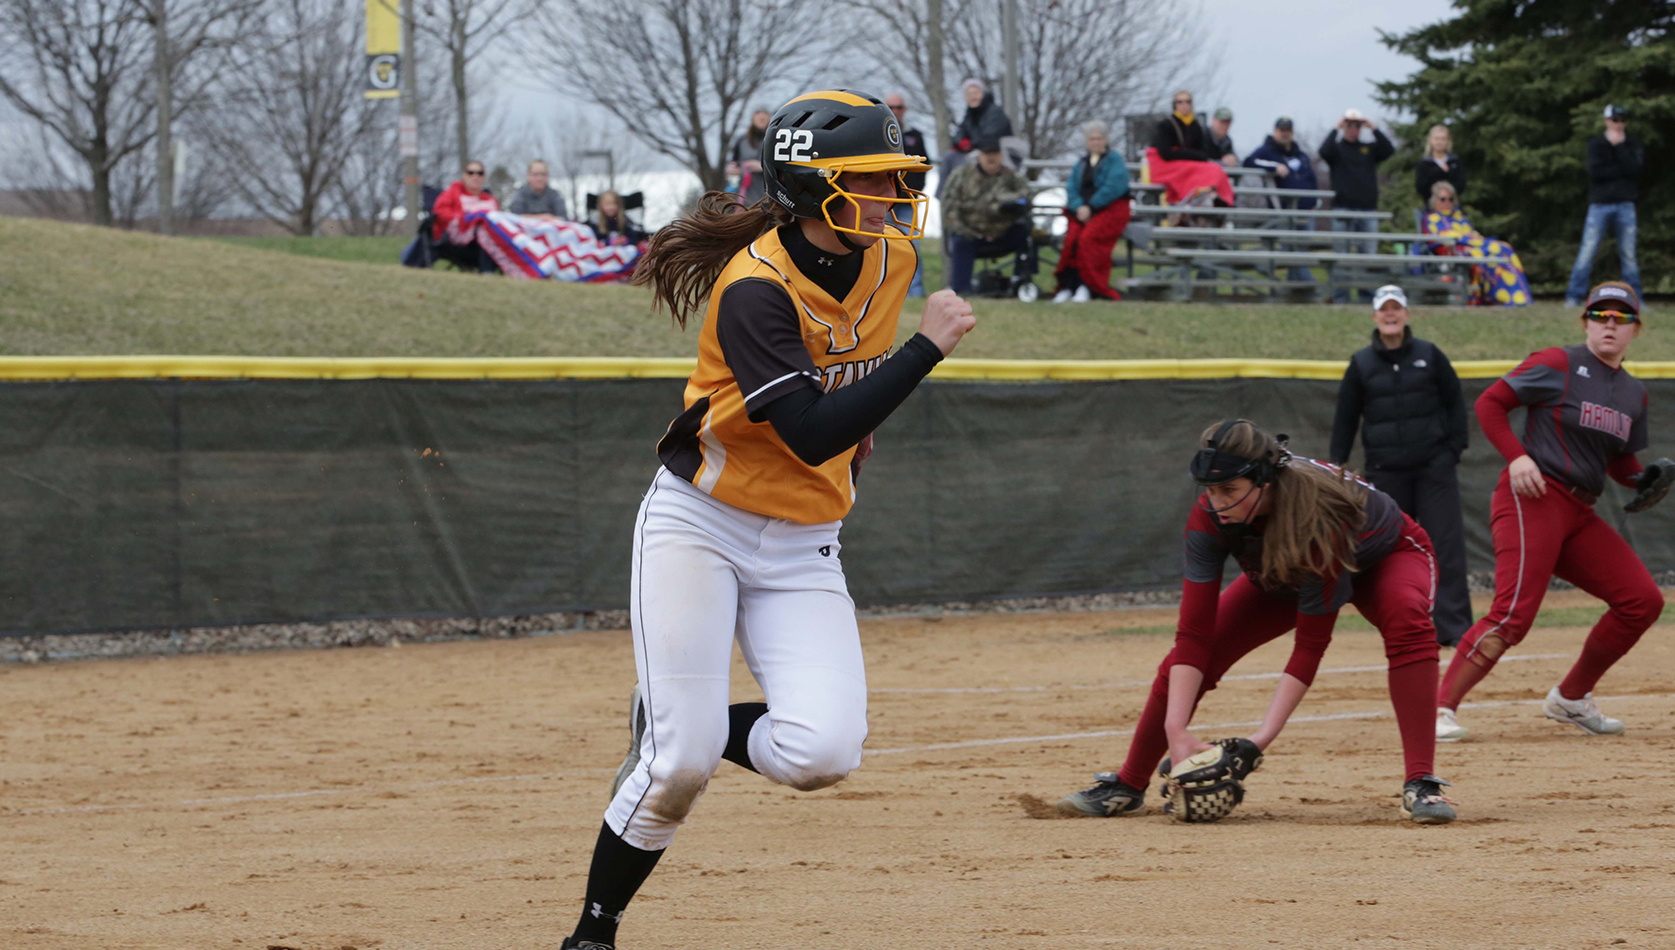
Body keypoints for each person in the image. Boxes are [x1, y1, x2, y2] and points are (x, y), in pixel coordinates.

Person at [556, 89, 974, 950]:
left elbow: (841, 399)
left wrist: (865, 418)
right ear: (814, 186)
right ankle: (592, 934)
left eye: (897, 177)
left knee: (823, 754)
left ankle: (675, 716)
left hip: (803, 538)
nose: (895, 195)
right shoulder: (752, 290)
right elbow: (814, 428)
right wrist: (924, 351)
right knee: (680, 767)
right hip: (699, 525)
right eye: (874, 179)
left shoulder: (888, 253)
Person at [1057, 420, 1455, 825]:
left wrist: (1258, 741)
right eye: (1209, 490)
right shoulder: (1208, 518)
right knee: (1196, 651)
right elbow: (1193, 633)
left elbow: (1310, 645)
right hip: (1285, 568)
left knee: (1407, 619)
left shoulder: (1315, 518)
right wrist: (1177, 732)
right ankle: (1128, 784)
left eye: (1229, 489)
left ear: (1265, 481)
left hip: (1383, 555)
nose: (1215, 501)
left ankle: (1421, 782)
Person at [1436, 282, 1667, 745]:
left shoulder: (1633, 394)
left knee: (1643, 600)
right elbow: (1491, 403)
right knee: (1513, 615)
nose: (1609, 323)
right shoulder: (1558, 363)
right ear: (1585, 322)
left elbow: (1621, 463)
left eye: (1620, 318)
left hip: (1579, 512)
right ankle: (1439, 707)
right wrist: (1517, 457)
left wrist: (1643, 479)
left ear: (1635, 330)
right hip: (1533, 497)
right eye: (1599, 314)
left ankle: (1572, 697)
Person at [1330, 285, 1472, 647]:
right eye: (1384, 309)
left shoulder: (1429, 354)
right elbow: (1346, 417)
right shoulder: (1361, 363)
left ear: (1407, 314)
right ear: (1375, 316)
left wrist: (1452, 451)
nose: (1390, 314)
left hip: (1433, 469)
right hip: (1386, 471)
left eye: (1397, 308)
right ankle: (1397, 625)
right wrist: (1338, 466)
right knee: (1388, 548)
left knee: (1445, 547)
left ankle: (1454, 629)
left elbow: (1455, 403)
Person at [1565, 105, 1644, 308]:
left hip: (1626, 204)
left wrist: (1618, 149)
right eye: (1615, 119)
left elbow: (1634, 170)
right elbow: (1595, 172)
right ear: (1607, 121)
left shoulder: (1632, 144)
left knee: (1629, 255)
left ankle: (1635, 300)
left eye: (1622, 120)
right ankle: (1573, 296)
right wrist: (1617, 165)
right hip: (1599, 205)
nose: (1618, 124)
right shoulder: (1597, 144)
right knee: (1588, 251)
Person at [940, 137, 1035, 295]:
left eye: (995, 153)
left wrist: (1005, 200)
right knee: (960, 241)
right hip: (970, 234)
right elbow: (949, 208)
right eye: (987, 153)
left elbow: (1027, 196)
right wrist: (969, 232)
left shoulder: (1011, 176)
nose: (991, 158)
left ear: (1002, 156)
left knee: (1025, 233)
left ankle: (1021, 283)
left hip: (1002, 233)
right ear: (979, 155)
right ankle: (961, 289)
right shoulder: (962, 175)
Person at [1319, 108, 1394, 303]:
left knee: (1368, 257)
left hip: (1367, 210)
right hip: (1342, 209)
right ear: (1345, 127)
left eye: (1357, 126)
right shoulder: (1337, 149)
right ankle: (1341, 297)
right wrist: (1336, 127)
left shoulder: (1368, 150)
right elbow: (1323, 151)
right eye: (1350, 126)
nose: (1353, 130)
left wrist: (1373, 127)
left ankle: (1367, 297)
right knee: (1341, 257)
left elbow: (1389, 150)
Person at [1052, 120, 1130, 303]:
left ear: (1105, 139)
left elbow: (1113, 187)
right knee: (1072, 241)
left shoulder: (1115, 161)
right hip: (1082, 212)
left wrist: (1091, 207)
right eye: (1092, 139)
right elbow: (1071, 187)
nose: (1096, 142)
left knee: (1088, 240)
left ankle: (1088, 286)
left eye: (1099, 138)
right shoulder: (1081, 163)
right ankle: (1068, 286)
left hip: (1108, 210)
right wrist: (1079, 207)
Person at [1422, 181, 1531, 306]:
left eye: (1450, 199)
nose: (1447, 202)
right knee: (1488, 252)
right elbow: (1440, 237)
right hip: (1454, 252)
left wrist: (1479, 242)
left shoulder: (1459, 217)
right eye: (1443, 199)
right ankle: (1499, 295)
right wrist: (1473, 241)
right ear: (1434, 201)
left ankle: (1517, 296)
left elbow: (1473, 234)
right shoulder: (1431, 219)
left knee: (1505, 248)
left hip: (1473, 246)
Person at [1243, 116, 1321, 283]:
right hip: (1283, 212)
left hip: (1305, 211)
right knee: (1293, 252)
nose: (1285, 134)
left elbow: (1312, 179)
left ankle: (1296, 288)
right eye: (1281, 130)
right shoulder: (1267, 150)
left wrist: (1314, 200)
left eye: (1288, 131)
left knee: (1301, 251)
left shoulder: (1300, 155)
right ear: (1275, 131)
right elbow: (1248, 161)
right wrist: (1274, 167)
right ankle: (1310, 286)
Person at [1146, 90, 1233, 206]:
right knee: (1211, 170)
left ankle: (1218, 200)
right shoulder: (1166, 125)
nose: (1184, 105)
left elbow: (1201, 153)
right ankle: (1198, 200)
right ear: (1174, 105)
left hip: (1185, 165)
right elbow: (1166, 153)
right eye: (1180, 102)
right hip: (1166, 165)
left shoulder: (1195, 126)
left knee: (1215, 170)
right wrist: (1190, 154)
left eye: (1187, 101)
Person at [885, 93, 931, 297]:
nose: (895, 111)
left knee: (911, 246)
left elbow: (924, 165)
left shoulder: (915, 135)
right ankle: (881, 292)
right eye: (891, 107)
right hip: (881, 201)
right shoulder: (877, 134)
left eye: (899, 107)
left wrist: (913, 191)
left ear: (905, 109)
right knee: (876, 247)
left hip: (906, 202)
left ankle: (915, 292)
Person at [430, 159, 500, 242]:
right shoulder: (452, 193)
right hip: (459, 239)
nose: (475, 177)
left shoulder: (490, 199)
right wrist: (468, 219)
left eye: (480, 173)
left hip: (490, 237)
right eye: (471, 173)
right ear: (464, 176)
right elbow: (440, 214)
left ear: (484, 177)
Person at [951, 78, 1013, 154]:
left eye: (976, 93)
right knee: (950, 156)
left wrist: (970, 145)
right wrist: (961, 142)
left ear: (983, 94)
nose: (973, 97)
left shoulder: (995, 112)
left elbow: (990, 138)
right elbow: (958, 135)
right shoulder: (969, 116)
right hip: (975, 153)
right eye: (969, 94)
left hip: (996, 154)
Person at [726, 108, 772, 206]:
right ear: (752, 118)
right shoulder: (742, 140)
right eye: (758, 112)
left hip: (769, 196)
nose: (762, 116)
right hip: (745, 196)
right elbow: (733, 164)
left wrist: (763, 167)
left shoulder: (775, 139)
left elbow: (784, 166)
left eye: (765, 113)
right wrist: (732, 170)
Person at [1414, 124, 1465, 203]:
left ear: (1448, 141)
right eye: (1436, 139)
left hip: (1452, 205)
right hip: (1430, 206)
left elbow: (1461, 186)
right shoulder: (1424, 163)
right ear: (1430, 140)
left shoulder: (1455, 161)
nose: (1439, 142)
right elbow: (1420, 188)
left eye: (1443, 139)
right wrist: (1438, 171)